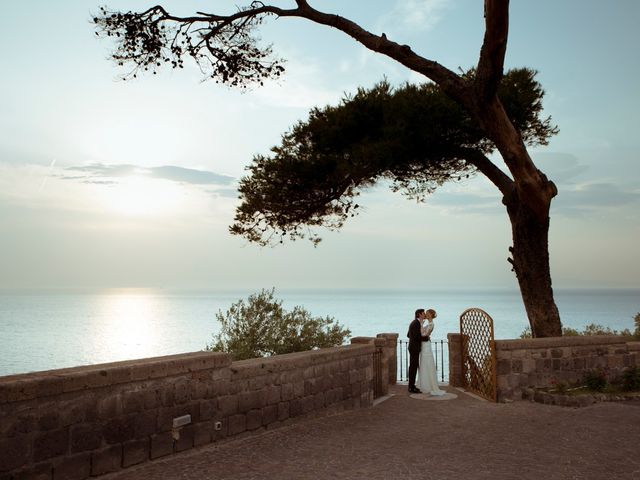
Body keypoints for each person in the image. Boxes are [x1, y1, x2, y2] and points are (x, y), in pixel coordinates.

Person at [416, 308, 446, 396]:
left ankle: (428, 386)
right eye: (425, 313)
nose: (425, 314)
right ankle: (424, 384)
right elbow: (423, 334)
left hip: (426, 346)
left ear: (430, 315)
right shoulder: (428, 323)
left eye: (427, 313)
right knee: (423, 363)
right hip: (424, 345)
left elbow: (423, 334)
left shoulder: (431, 324)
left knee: (427, 363)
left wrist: (421, 324)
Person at [407, 308, 426, 393]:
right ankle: (411, 387)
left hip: (413, 347)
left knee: (413, 366)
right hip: (414, 348)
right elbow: (416, 336)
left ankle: (412, 385)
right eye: (423, 313)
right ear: (419, 314)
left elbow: (408, 335)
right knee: (413, 367)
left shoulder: (415, 322)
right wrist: (426, 338)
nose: (425, 314)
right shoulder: (416, 323)